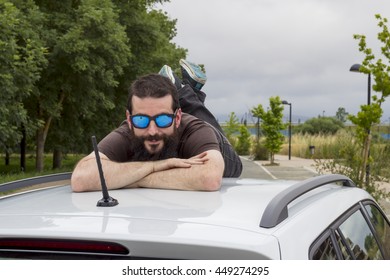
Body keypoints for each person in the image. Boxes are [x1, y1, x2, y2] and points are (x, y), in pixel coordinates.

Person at [71, 59, 242, 192]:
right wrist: (153, 167)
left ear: (177, 118)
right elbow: (80, 178)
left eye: (162, 120)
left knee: (231, 159)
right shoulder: (127, 131)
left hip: (211, 142)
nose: (152, 131)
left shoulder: (196, 129)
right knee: (168, 109)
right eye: (141, 120)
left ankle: (183, 90)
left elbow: (209, 178)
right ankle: (185, 89)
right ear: (129, 120)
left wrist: (132, 178)